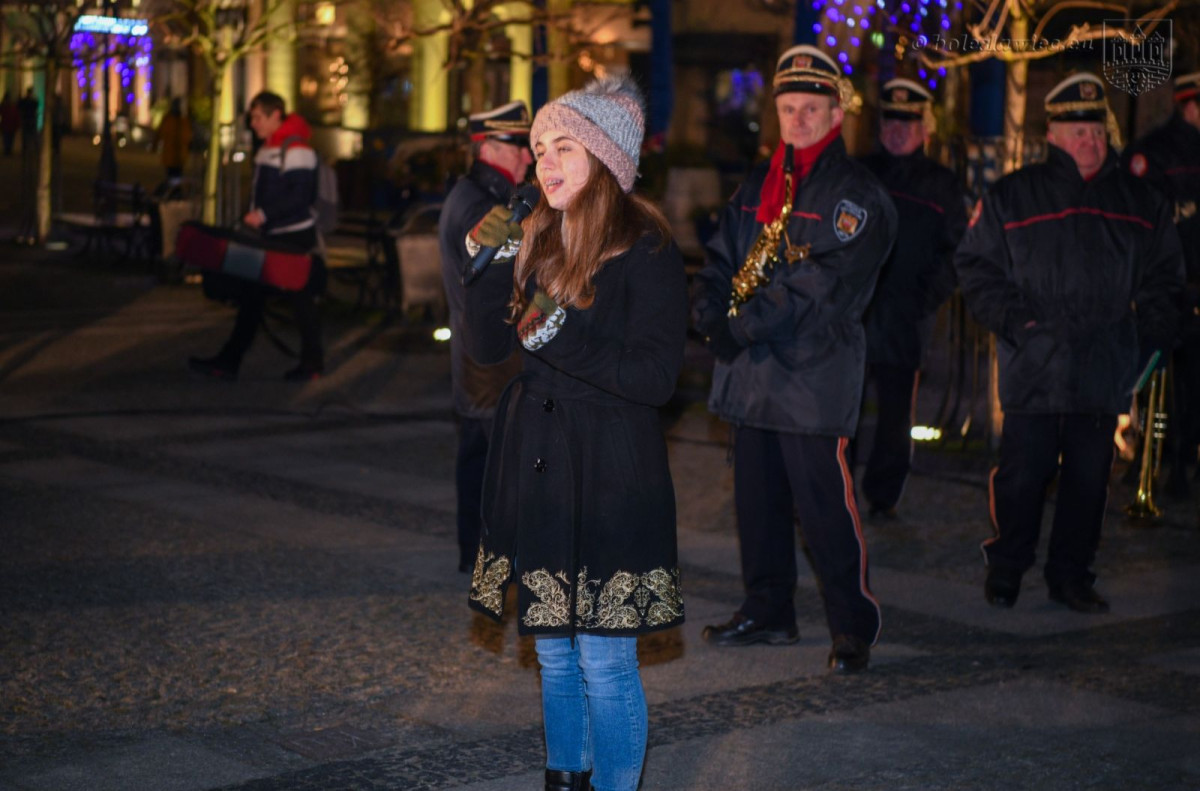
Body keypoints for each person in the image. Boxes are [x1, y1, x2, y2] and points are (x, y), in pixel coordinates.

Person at [462, 75, 687, 791]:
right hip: (542, 465)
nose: (545, 163)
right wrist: (485, 274)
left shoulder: (646, 247)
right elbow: (492, 356)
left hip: (613, 472)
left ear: (605, 159)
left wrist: (558, 332)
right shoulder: (537, 233)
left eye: (564, 147)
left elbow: (656, 379)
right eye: (537, 148)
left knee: (602, 655)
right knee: (553, 649)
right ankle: (566, 778)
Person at [691, 44, 897, 673]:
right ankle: (768, 610)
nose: (799, 118)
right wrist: (706, 308)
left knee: (825, 511)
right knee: (756, 504)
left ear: (837, 114)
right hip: (753, 376)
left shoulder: (856, 194)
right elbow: (723, 253)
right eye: (789, 107)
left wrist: (742, 326)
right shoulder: (759, 182)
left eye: (812, 107)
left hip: (812, 375)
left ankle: (852, 625)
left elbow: (824, 288)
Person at [955, 72, 1184, 614]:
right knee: (1023, 476)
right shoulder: (1013, 194)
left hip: (1103, 366)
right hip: (1035, 364)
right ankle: (1008, 566)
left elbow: (1165, 275)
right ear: (1053, 134)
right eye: (1077, 130)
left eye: (1097, 130)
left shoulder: (1139, 200)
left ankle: (1071, 576)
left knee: (1087, 482)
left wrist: (1153, 332)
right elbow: (975, 265)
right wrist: (1016, 321)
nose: (1090, 140)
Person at [856, 78, 967, 519]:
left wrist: (926, 298)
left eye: (909, 120)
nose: (898, 129)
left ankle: (884, 495)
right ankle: (835, 483)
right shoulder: (860, 173)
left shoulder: (942, 185)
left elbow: (958, 250)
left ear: (926, 127)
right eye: (891, 119)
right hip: (856, 311)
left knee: (896, 413)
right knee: (842, 405)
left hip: (906, 314)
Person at [438, 101, 530, 573]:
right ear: (490, 146)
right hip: (492, 364)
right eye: (520, 146)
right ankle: (493, 560)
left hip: (477, 360)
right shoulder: (483, 204)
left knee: (478, 460)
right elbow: (502, 281)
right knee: (498, 467)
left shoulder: (472, 193)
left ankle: (474, 555)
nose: (529, 158)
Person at [189, 91, 325, 382]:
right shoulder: (270, 147)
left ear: (276, 114)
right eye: (252, 117)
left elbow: (300, 196)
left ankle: (235, 361)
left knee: (294, 300)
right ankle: (233, 361)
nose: (253, 123)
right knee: (262, 297)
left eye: (258, 117)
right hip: (275, 236)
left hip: (292, 238)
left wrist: (262, 215)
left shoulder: (296, 149)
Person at [1122, 71, 1200, 498]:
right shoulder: (1152, 154)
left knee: (1179, 383)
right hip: (1167, 287)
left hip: (1180, 288)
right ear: (1190, 106)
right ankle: (1161, 464)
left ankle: (1173, 462)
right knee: (1161, 381)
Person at [157, 98, 193, 181]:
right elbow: (188, 137)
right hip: (177, 155)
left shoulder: (172, 120)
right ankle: (175, 189)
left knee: (172, 174)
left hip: (174, 155)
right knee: (175, 174)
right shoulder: (182, 121)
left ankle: (174, 189)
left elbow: (160, 133)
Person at [18, 88, 38, 156]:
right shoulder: (32, 101)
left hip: (28, 119)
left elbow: (20, 107)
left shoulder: (27, 101)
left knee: (28, 135)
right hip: (29, 119)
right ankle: (31, 147)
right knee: (30, 134)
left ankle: (27, 147)